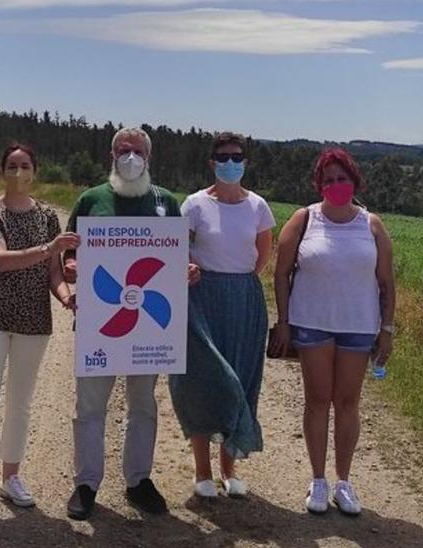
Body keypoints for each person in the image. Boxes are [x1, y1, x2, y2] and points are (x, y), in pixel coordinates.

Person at [61, 127, 200, 520]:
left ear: (149, 158)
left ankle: (138, 480)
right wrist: (71, 265)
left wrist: (188, 270)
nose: (130, 158)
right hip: (101, 323)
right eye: (123, 151)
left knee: (143, 405)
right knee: (90, 406)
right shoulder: (91, 200)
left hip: (149, 328)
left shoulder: (165, 202)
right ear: (112, 155)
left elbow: (178, 257)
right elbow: (67, 251)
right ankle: (86, 483)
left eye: (137, 151)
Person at [0, 143, 80, 523]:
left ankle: (11, 476)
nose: (18, 172)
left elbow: (54, 272)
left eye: (25, 165)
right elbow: (0, 260)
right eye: (12, 165)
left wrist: (66, 297)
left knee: (21, 402)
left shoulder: (47, 216)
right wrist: (50, 248)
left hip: (34, 320)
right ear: (2, 171)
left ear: (34, 171)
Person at [269, 148, 395, 516]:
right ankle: (318, 480)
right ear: (319, 185)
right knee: (317, 400)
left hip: (359, 326)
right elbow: (281, 273)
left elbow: (387, 282)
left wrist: (387, 329)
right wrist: (284, 321)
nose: (336, 185)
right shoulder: (304, 219)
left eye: (342, 179)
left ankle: (344, 482)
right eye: (329, 180)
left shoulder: (372, 224)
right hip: (312, 324)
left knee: (348, 402)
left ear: (354, 181)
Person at [168, 132, 274, 499]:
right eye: (223, 156)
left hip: (244, 299)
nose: (231, 162)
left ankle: (229, 468)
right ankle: (202, 471)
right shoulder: (194, 205)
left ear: (245, 161)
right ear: (212, 162)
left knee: (240, 379)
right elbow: (178, 249)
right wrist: (191, 270)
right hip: (201, 297)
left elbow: (262, 256)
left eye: (237, 156)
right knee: (201, 381)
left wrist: (237, 282)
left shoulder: (258, 206)